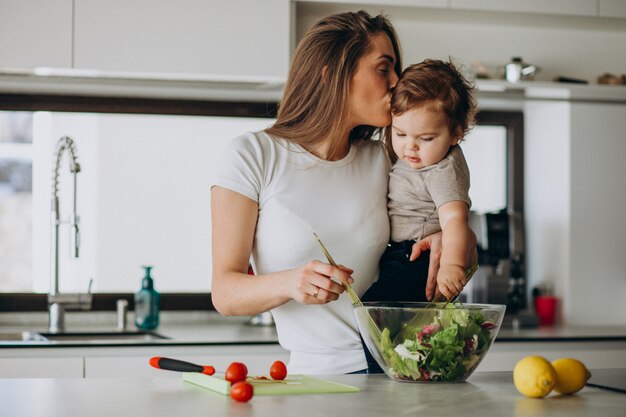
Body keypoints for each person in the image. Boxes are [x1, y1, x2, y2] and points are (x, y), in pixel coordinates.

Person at [210, 12, 474, 375]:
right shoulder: (252, 155)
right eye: (384, 69)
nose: (397, 83)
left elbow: (451, 215)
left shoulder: (387, 157)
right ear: (332, 74)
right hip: (315, 378)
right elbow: (225, 292)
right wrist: (291, 282)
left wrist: (447, 238)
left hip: (404, 369)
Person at [363, 59, 478, 304]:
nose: (410, 146)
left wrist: (451, 265)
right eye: (401, 134)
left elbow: (455, 220)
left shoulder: (443, 167)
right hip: (401, 254)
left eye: (426, 138)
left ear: (456, 133)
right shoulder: (414, 157)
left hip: (419, 257)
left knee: (373, 312)